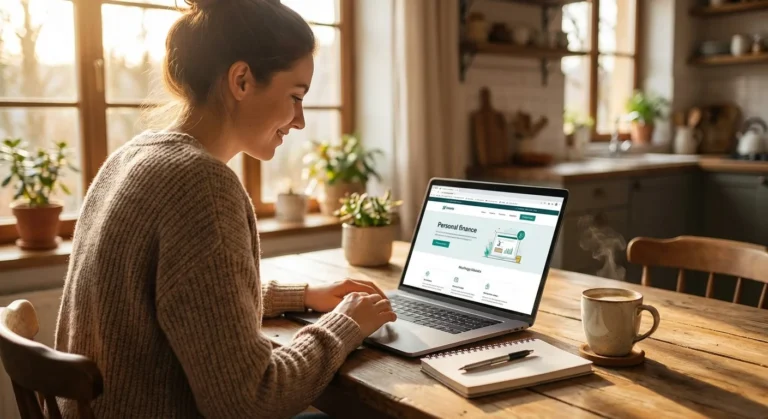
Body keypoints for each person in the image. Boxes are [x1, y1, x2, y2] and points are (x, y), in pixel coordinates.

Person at [53, 0, 397, 417]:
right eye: (295, 96)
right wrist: (345, 325)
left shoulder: (133, 156)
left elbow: (191, 297)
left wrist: (304, 295)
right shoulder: (201, 185)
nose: (300, 120)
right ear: (241, 80)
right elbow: (250, 399)